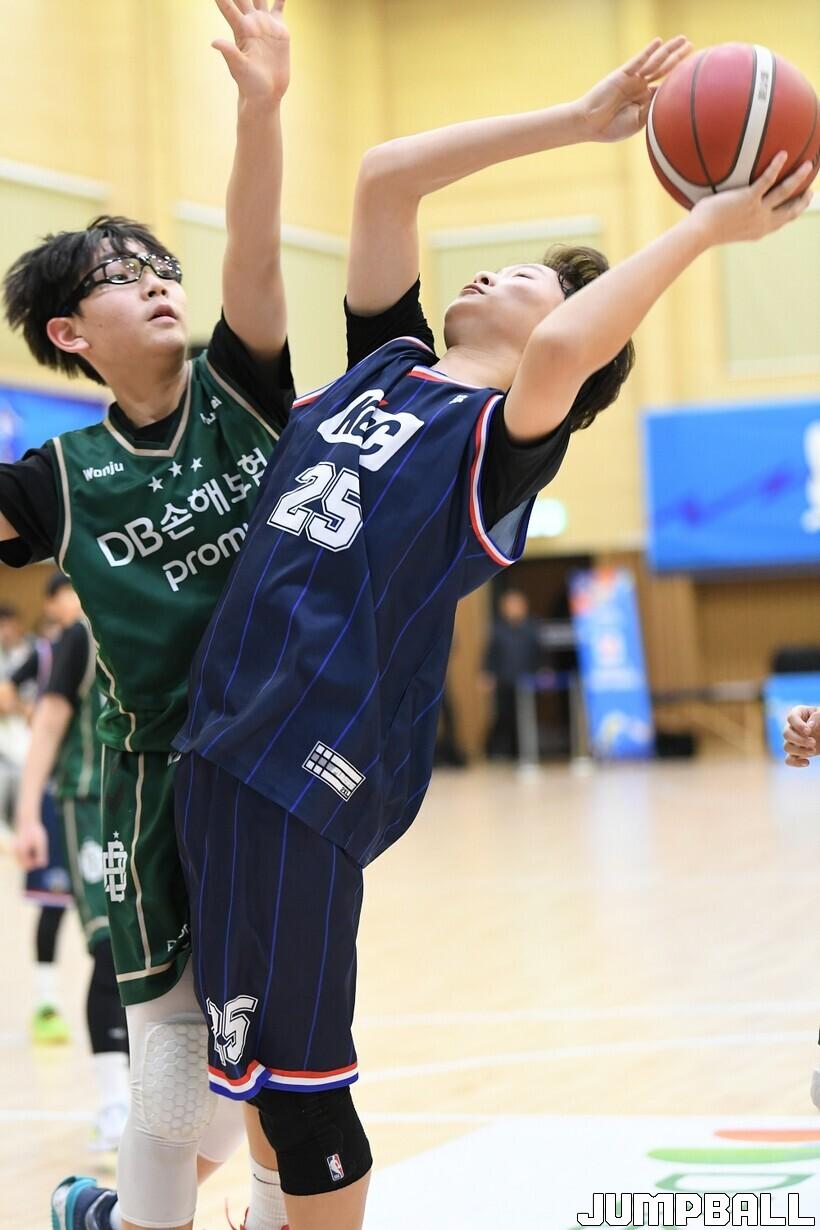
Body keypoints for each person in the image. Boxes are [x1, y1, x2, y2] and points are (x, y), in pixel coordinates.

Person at [170, 35, 813, 1230]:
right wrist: (576, 121)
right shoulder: (387, 366)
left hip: (311, 759)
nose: (490, 274)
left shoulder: (502, 445)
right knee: (244, 1060)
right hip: (223, 740)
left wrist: (704, 229)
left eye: (526, 277)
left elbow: (567, 348)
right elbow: (384, 178)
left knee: (305, 1095)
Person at [0, 3, 294, 1227]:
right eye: (121, 279)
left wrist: (260, 109)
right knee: (174, 1066)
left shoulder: (242, 387)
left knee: (279, 1043)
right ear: (71, 334)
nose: (157, 283)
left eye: (158, 266)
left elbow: (255, 248)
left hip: (277, 760)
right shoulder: (58, 480)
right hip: (151, 777)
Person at [13, 572, 131, 1150]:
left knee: (159, 958)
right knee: (109, 951)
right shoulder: (81, 638)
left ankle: (155, 1099)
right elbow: (49, 721)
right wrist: (27, 812)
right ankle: (114, 1105)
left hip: (151, 806)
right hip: (88, 808)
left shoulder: (166, 618)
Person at [1, 597, 72, 1045]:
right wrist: (34, 717)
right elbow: (7, 691)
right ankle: (46, 1001)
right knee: (52, 900)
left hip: (98, 791)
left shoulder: (107, 645)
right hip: (51, 787)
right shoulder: (47, 652)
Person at [482, 587, 542, 759]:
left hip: (527, 681)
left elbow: (539, 653)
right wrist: (487, 673)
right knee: (504, 715)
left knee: (524, 715)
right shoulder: (498, 630)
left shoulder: (532, 628)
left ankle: (522, 751)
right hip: (504, 680)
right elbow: (490, 655)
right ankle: (496, 750)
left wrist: (544, 670)